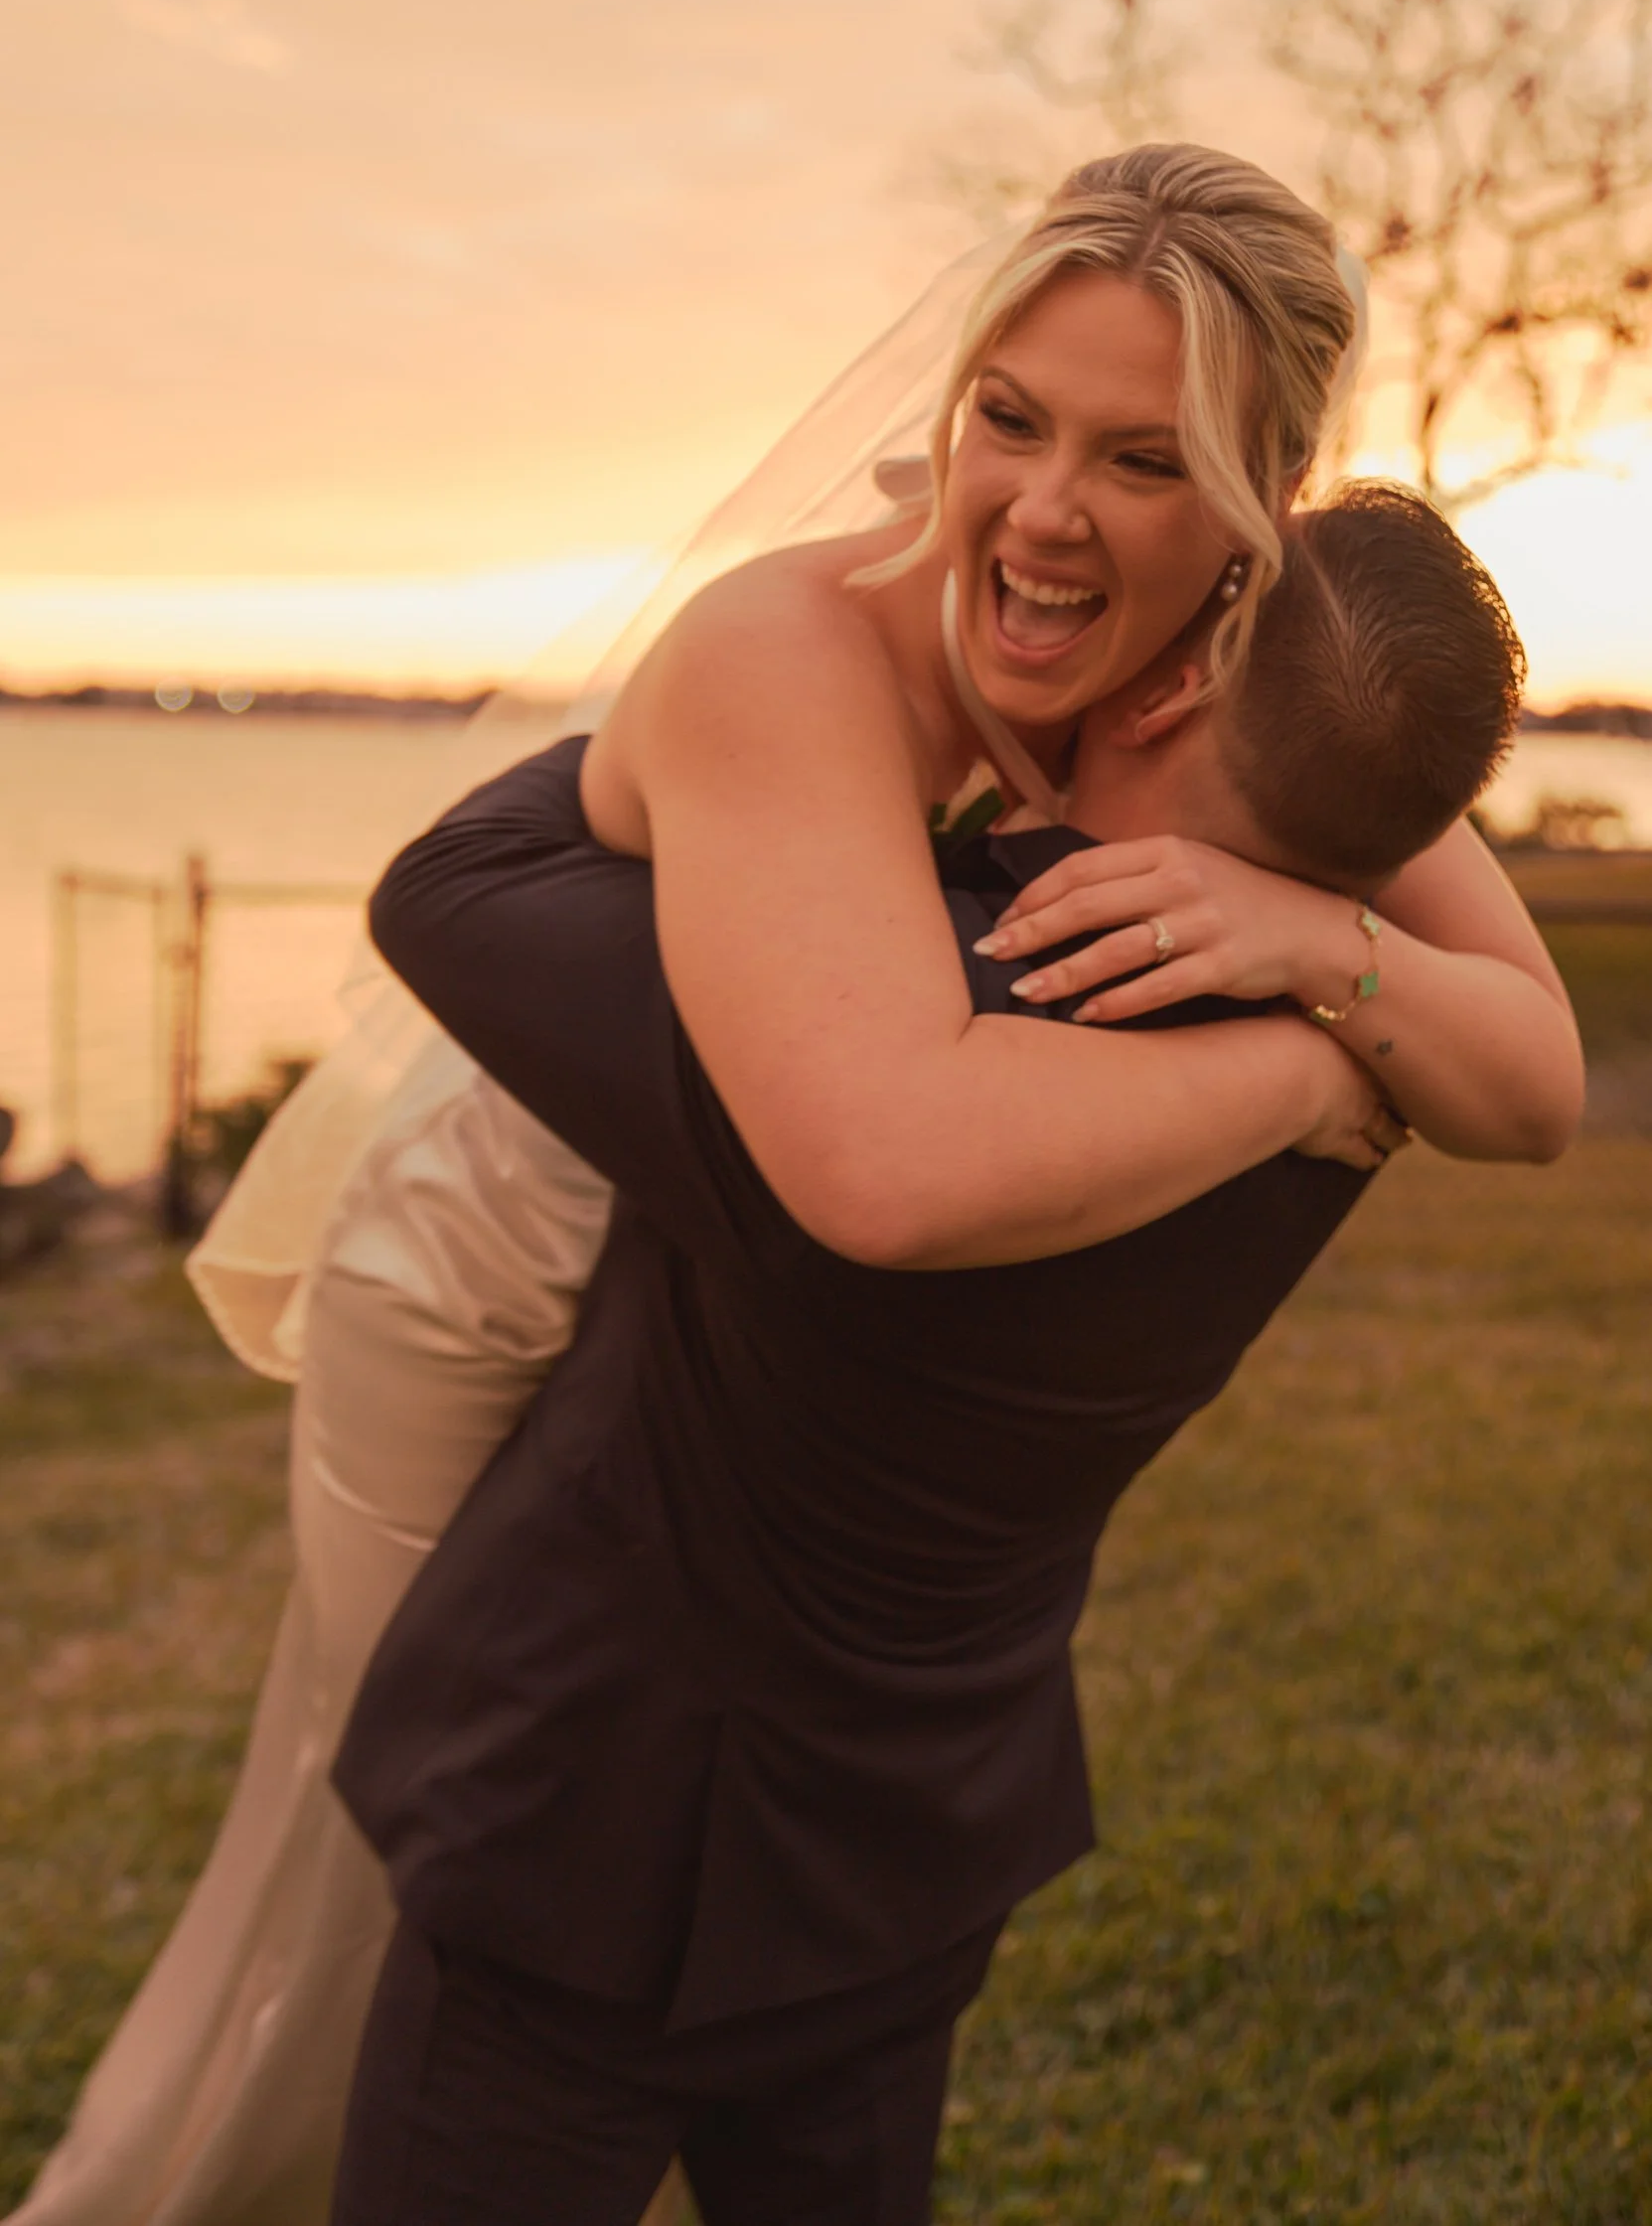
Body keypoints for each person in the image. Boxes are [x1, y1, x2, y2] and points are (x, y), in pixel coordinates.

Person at [8, 146, 1578, 2226]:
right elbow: (866, 1142)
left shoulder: (1247, 711)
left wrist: (1328, 954)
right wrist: (1313, 1052)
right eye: (1005, 418)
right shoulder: (822, 656)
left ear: (1256, 531)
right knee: (351, 1857)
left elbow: (1533, 1070)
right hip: (484, 1231)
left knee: (474, 1885)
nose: (1034, 505)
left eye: (1136, 453)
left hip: (776, 1392)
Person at [326, 477, 1546, 2220]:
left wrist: (876, 592)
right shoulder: (1367, 1048)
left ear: (1176, 683)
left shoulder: (870, 1050)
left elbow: (461, 876)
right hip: (913, 1834)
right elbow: (1519, 1045)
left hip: (583, 1831)